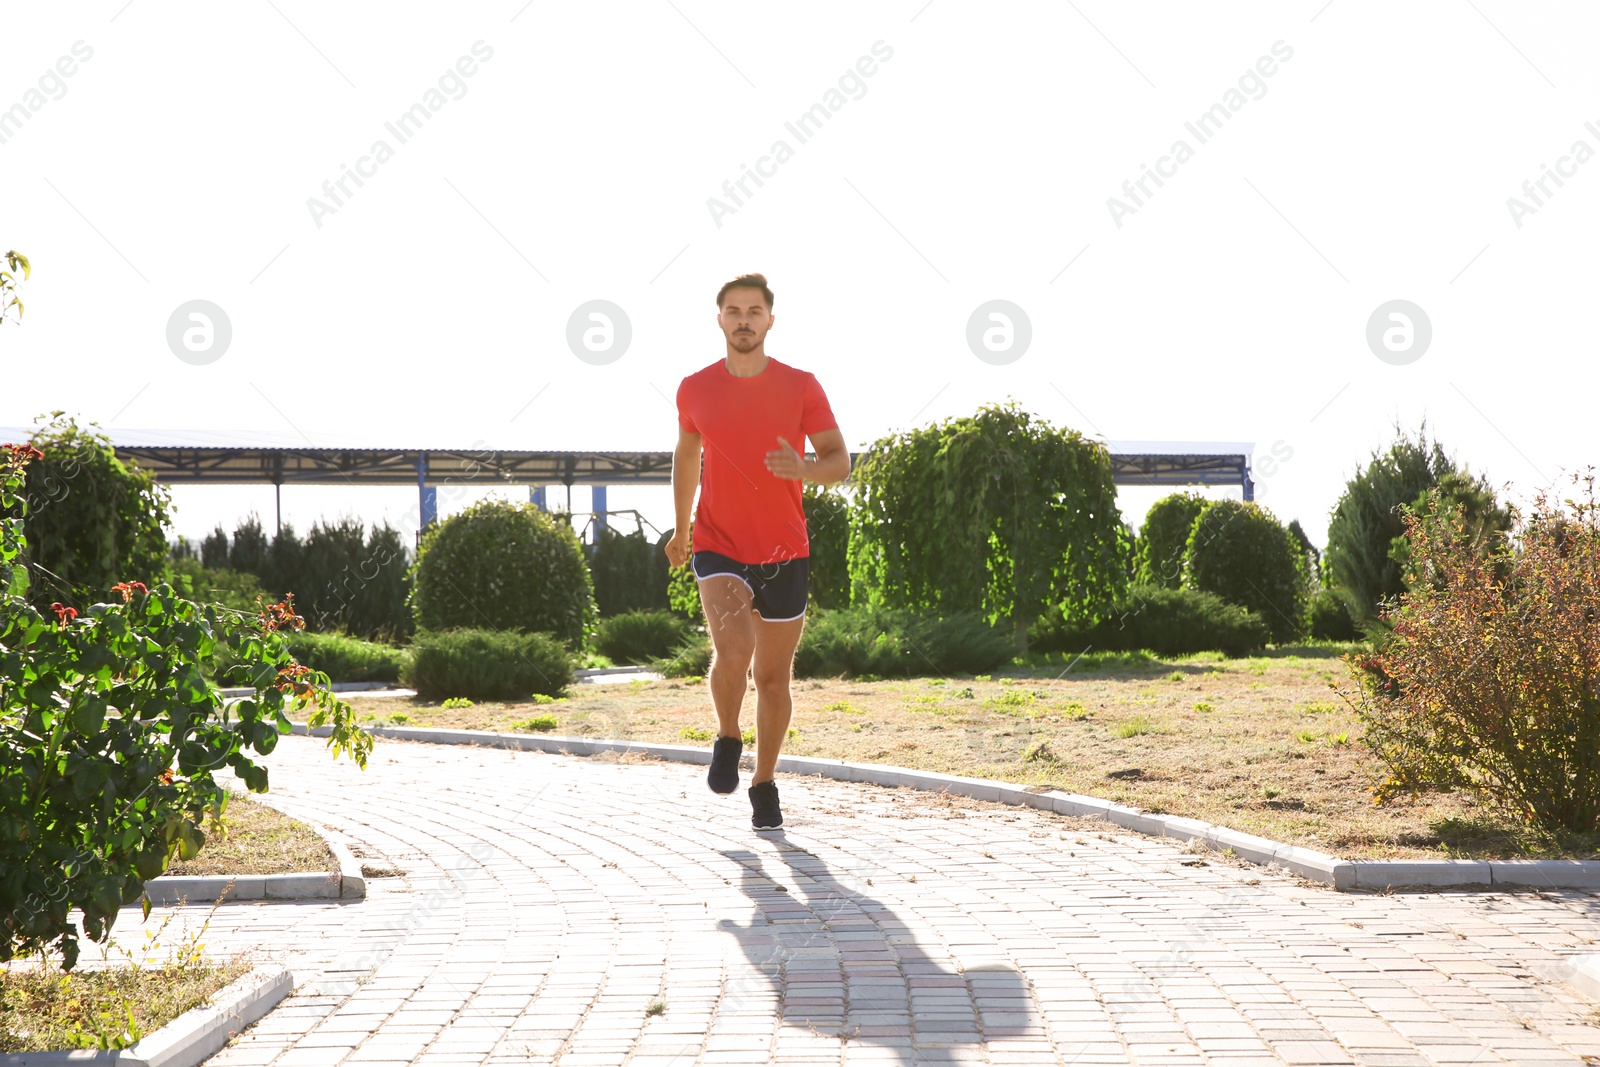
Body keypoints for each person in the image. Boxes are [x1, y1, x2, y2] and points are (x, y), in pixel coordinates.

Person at [664, 273, 851, 831]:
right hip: (718, 541)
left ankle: (764, 782)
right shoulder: (694, 388)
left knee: (773, 680)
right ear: (718, 319)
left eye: (754, 311)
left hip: (784, 549)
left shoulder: (801, 386)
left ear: (771, 320)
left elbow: (839, 461)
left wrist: (806, 470)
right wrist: (681, 529)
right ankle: (727, 734)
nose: (743, 319)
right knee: (734, 649)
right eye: (733, 311)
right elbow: (686, 454)